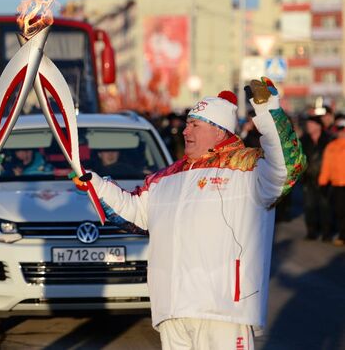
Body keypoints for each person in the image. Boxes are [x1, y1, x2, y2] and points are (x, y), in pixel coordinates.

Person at [72, 80, 306, 349]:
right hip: (173, 310)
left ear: (219, 132)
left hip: (223, 310)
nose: (185, 130)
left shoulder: (248, 169)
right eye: (187, 123)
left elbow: (287, 166)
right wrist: (97, 184)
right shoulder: (165, 178)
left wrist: (267, 111)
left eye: (195, 124)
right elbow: (133, 212)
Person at [300, 114, 333, 241]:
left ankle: (326, 233)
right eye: (308, 124)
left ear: (319, 126)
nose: (308, 126)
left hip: (325, 177)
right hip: (308, 178)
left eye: (311, 124)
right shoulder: (303, 140)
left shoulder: (329, 139)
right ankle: (311, 232)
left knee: (326, 206)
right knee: (309, 206)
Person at [318, 117, 345, 246]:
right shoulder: (331, 146)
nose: (342, 132)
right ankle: (342, 234)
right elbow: (326, 165)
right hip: (337, 184)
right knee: (339, 211)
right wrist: (323, 181)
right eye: (340, 130)